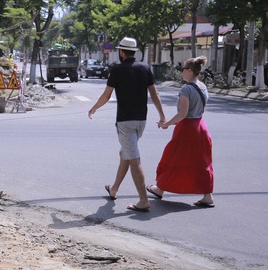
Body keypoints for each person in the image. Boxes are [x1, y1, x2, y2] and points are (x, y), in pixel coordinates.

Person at [88, 37, 166, 212]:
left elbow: (106, 95)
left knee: (134, 159)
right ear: (134, 52)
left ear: (122, 52)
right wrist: (162, 115)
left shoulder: (117, 70)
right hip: (141, 121)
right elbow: (154, 94)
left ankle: (143, 200)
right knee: (126, 153)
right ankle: (114, 188)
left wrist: (94, 108)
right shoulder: (145, 68)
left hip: (125, 121)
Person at [147, 56, 214, 207]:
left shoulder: (186, 89)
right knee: (202, 162)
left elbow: (182, 114)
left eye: (183, 69)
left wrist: (167, 124)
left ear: (190, 71)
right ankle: (208, 195)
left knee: (172, 158)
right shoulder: (203, 86)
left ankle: (160, 189)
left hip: (187, 129)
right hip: (201, 126)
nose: (181, 72)